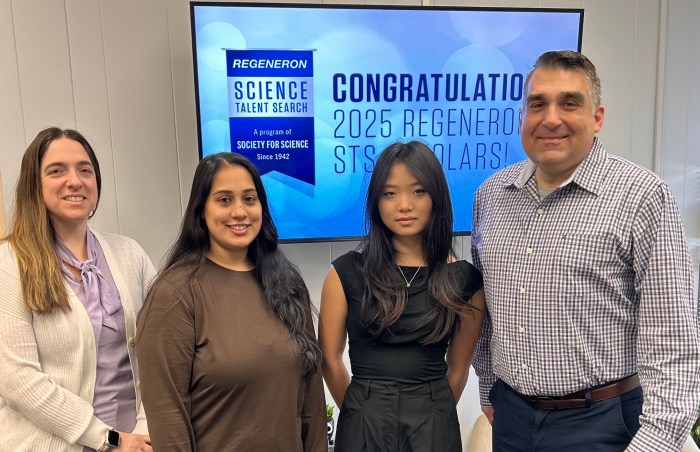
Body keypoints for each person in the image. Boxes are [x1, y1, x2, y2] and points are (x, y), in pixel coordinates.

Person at [471, 50, 700, 452]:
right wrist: (490, 392)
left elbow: (675, 345)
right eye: (537, 104)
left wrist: (655, 442)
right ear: (522, 117)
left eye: (570, 102)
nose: (551, 117)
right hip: (512, 419)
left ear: (597, 118)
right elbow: (486, 315)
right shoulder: (491, 196)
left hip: (603, 424)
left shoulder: (643, 197)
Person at [135, 152, 327, 451]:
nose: (239, 211)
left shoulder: (288, 284)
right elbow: (167, 411)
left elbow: (311, 398)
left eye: (249, 199)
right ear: (201, 210)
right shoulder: (175, 294)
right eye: (224, 200)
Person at [320, 141, 486, 451]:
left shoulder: (465, 281)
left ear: (436, 197)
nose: (404, 205)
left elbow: (459, 367)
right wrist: (360, 409)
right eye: (390, 193)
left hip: (434, 422)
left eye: (418, 191)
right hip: (363, 421)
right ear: (376, 202)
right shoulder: (344, 273)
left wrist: (433, 408)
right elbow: (329, 359)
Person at [0, 127, 155, 451]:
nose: (75, 181)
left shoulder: (129, 253)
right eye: (56, 171)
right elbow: (18, 381)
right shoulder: (9, 264)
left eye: (85, 170)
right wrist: (109, 439)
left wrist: (142, 431)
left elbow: (161, 349)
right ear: (34, 183)